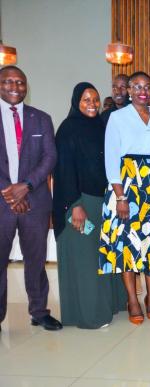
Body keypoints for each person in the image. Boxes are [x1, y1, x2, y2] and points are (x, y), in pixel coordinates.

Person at [52, 82, 127, 329]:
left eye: (95, 99)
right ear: (76, 102)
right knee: (86, 259)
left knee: (102, 255)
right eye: (86, 100)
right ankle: (89, 316)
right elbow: (63, 170)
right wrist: (75, 205)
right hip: (79, 204)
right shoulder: (68, 129)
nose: (92, 104)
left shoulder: (101, 126)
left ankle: (109, 305)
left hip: (102, 201)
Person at [99, 71, 150, 325]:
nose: (143, 91)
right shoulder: (117, 118)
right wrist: (120, 197)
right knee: (127, 245)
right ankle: (132, 299)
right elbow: (110, 158)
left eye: (147, 87)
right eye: (137, 86)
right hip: (126, 185)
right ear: (128, 90)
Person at [0, 65, 60, 331]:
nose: (15, 87)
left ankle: (39, 311)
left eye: (20, 82)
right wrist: (10, 193)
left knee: (36, 260)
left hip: (34, 201)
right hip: (1, 202)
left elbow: (50, 157)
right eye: (9, 81)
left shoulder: (41, 118)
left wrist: (25, 185)